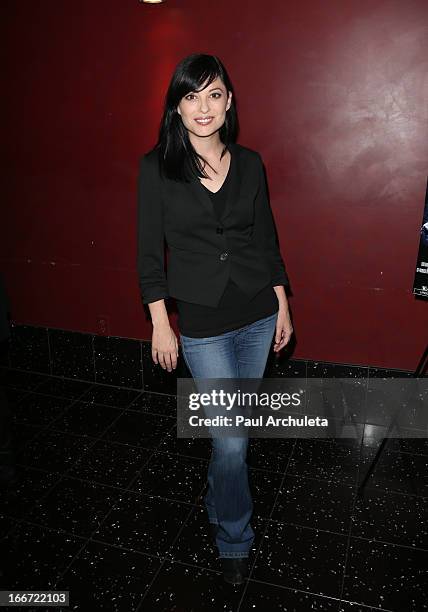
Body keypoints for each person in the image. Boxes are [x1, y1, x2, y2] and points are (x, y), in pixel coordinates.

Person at [137, 53, 293, 585]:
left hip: (255, 312)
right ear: (176, 107)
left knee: (234, 433)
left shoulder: (251, 163)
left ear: (229, 101)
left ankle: (218, 494)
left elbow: (266, 240)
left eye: (214, 94)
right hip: (201, 322)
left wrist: (283, 305)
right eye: (191, 96)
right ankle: (234, 539)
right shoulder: (155, 167)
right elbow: (148, 255)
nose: (203, 108)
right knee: (231, 440)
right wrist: (161, 322)